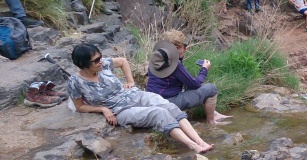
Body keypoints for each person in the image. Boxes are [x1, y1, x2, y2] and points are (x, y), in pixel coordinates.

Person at [67, 43, 214, 153]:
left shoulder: (103, 65)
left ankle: (200, 141)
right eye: (96, 60)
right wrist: (102, 109)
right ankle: (192, 145)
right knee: (159, 113)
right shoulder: (75, 82)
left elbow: (123, 61)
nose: (101, 61)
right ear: (84, 64)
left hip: (134, 95)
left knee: (167, 106)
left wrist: (130, 81)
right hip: (120, 110)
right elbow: (79, 106)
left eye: (100, 57)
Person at [145, 30, 232, 125]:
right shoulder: (175, 65)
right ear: (176, 48)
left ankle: (214, 113)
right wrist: (204, 69)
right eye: (184, 46)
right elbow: (194, 84)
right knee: (211, 89)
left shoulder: (156, 59)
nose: (186, 49)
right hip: (168, 102)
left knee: (189, 86)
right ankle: (211, 122)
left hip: (151, 100)